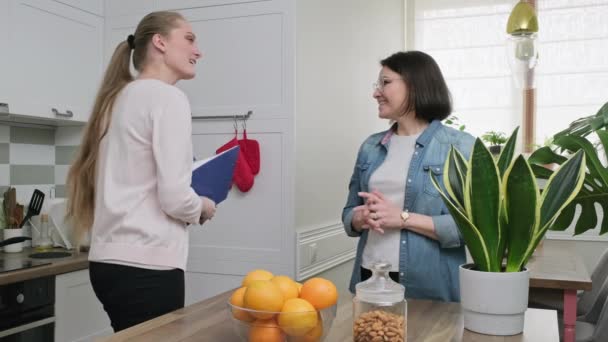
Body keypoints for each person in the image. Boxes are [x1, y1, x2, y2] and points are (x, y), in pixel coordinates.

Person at [65, 11, 216, 331]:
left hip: (107, 264)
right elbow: (175, 198)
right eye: (189, 39)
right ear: (159, 42)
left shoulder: (117, 98)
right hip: (147, 268)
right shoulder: (168, 98)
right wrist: (202, 205)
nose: (198, 51)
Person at [342, 51, 475, 302]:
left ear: (415, 86)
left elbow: (471, 228)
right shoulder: (370, 147)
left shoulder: (460, 146)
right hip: (369, 277)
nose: (376, 92)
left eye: (386, 82)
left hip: (429, 284)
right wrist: (359, 217)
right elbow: (349, 212)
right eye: (377, 84)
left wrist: (402, 218)